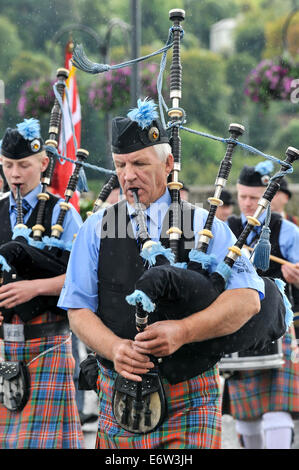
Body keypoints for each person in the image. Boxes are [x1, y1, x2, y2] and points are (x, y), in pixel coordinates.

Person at [58, 99, 264, 449]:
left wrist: (184, 330)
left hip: (190, 392)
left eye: (139, 163)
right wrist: (115, 347)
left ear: (168, 164)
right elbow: (78, 309)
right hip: (119, 392)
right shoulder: (98, 227)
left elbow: (247, 299)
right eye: (121, 165)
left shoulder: (201, 224)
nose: (127, 175)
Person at [0, 118, 84, 449]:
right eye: (8, 165)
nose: (15, 174)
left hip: (48, 342)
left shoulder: (63, 214)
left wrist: (35, 288)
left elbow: (82, 279)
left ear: (44, 162)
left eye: (24, 165)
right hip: (6, 347)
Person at [224, 161, 299, 449]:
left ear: (267, 198)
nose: (246, 203)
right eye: (242, 196)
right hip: (237, 323)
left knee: (277, 408)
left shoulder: (286, 231)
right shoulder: (227, 229)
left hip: (278, 326)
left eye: (254, 198)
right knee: (246, 412)